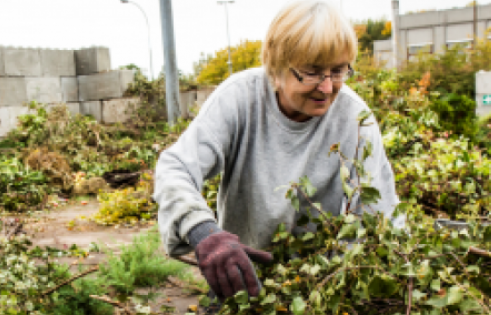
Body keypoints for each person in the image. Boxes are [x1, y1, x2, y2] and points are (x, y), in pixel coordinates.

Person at [154, 0, 405, 312]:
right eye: (312, 72)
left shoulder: (355, 121)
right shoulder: (239, 99)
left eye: (338, 71)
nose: (327, 87)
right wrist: (204, 232)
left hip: (321, 294)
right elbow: (175, 167)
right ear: (276, 68)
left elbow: (379, 217)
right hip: (240, 286)